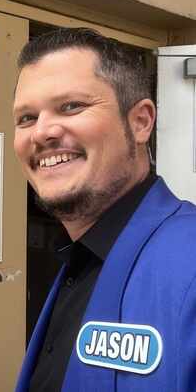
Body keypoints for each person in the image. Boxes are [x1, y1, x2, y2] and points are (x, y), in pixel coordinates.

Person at [13, 27, 196, 392]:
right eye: (26, 118)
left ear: (140, 121)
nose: (41, 132)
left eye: (71, 106)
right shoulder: (80, 259)